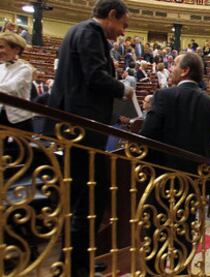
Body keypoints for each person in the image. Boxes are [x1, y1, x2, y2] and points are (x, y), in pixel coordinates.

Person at [46, 1, 133, 276]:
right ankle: (76, 266)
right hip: (83, 128)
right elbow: (95, 76)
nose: (122, 32)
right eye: (123, 25)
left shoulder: (78, 31)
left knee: (83, 197)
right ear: (111, 16)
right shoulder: (90, 34)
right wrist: (124, 88)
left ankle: (77, 258)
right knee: (86, 197)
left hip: (76, 128)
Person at [140, 52, 210, 275]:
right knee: (184, 234)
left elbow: (147, 136)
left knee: (155, 234)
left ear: (185, 70)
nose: (171, 68)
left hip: (161, 181)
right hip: (192, 183)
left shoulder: (164, 95)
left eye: (174, 64)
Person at [0, 32, 33, 131]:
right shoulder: (1, 67)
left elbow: (10, 88)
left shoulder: (25, 69)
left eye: (1, 47)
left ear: (16, 49)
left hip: (19, 120)